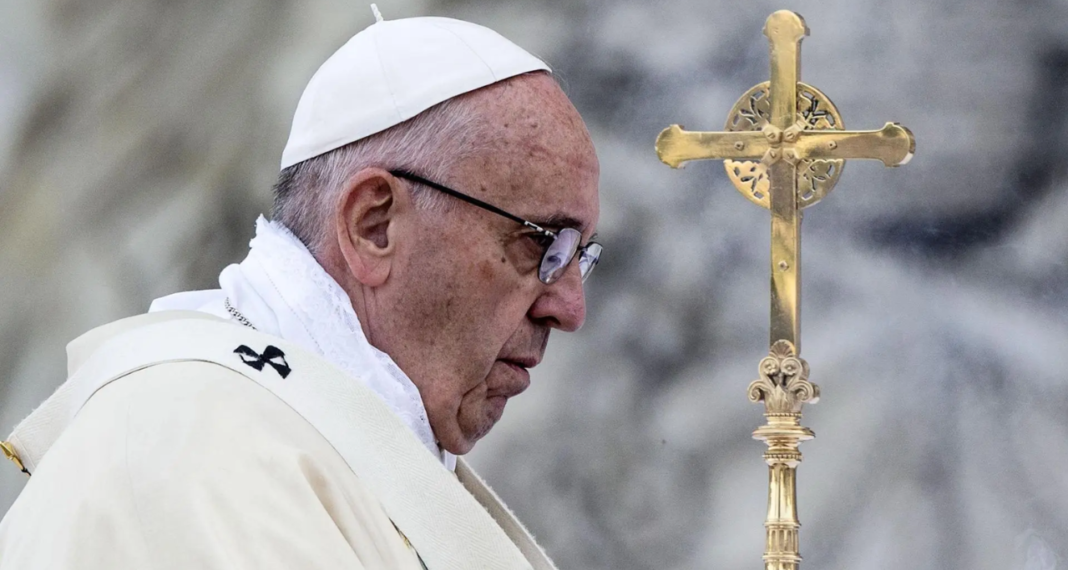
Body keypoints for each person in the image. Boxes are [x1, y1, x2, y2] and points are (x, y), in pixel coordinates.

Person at [0, 11, 601, 570]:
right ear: (374, 225)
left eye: (581, 256)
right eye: (542, 244)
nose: (570, 309)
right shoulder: (194, 444)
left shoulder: (310, 441)